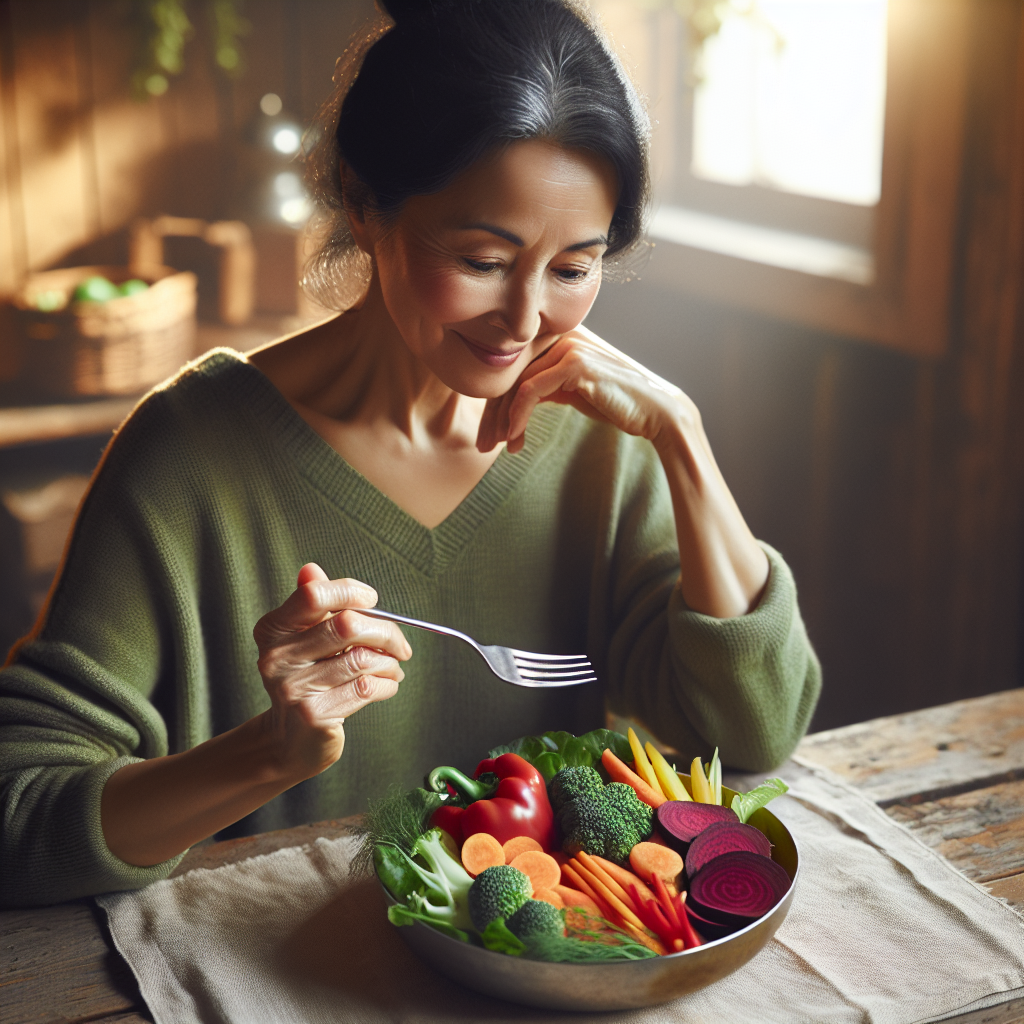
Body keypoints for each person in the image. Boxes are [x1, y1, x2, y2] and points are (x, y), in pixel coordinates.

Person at [0, 0, 820, 908]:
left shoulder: (603, 441)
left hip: (539, 982)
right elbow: (18, 817)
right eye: (481, 259)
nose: (524, 320)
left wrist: (684, 441)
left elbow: (755, 734)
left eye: (574, 268)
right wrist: (265, 753)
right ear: (363, 202)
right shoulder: (189, 455)